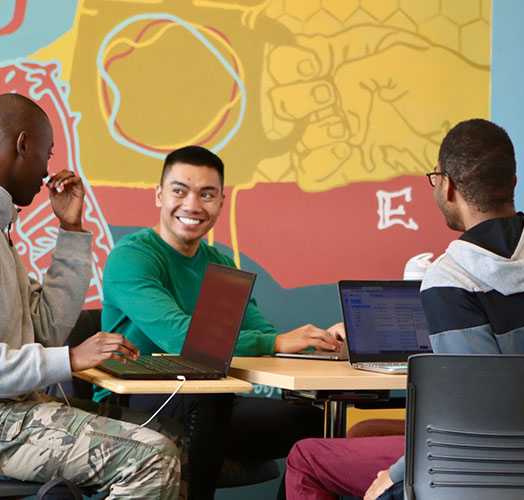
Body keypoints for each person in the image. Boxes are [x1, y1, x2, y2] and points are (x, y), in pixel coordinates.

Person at [285, 118, 524, 500]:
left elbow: (468, 416)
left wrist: (396, 473)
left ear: (446, 186)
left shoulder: (450, 279)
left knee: (307, 458)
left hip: (476, 478)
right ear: (512, 182)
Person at [0, 93, 183, 498]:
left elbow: (45, 329)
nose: (48, 171)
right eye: (46, 154)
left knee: (167, 433)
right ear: (23, 145)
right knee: (153, 456)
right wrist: (70, 359)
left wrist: (71, 231)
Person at [100, 145, 344, 499]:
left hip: (207, 402)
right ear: (158, 195)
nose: (193, 204)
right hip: (133, 402)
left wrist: (324, 339)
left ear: (221, 203)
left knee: (315, 424)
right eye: (179, 191)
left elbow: (262, 335)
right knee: (211, 390)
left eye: (206, 194)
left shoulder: (222, 264)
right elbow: (182, 339)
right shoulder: (132, 257)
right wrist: (274, 343)